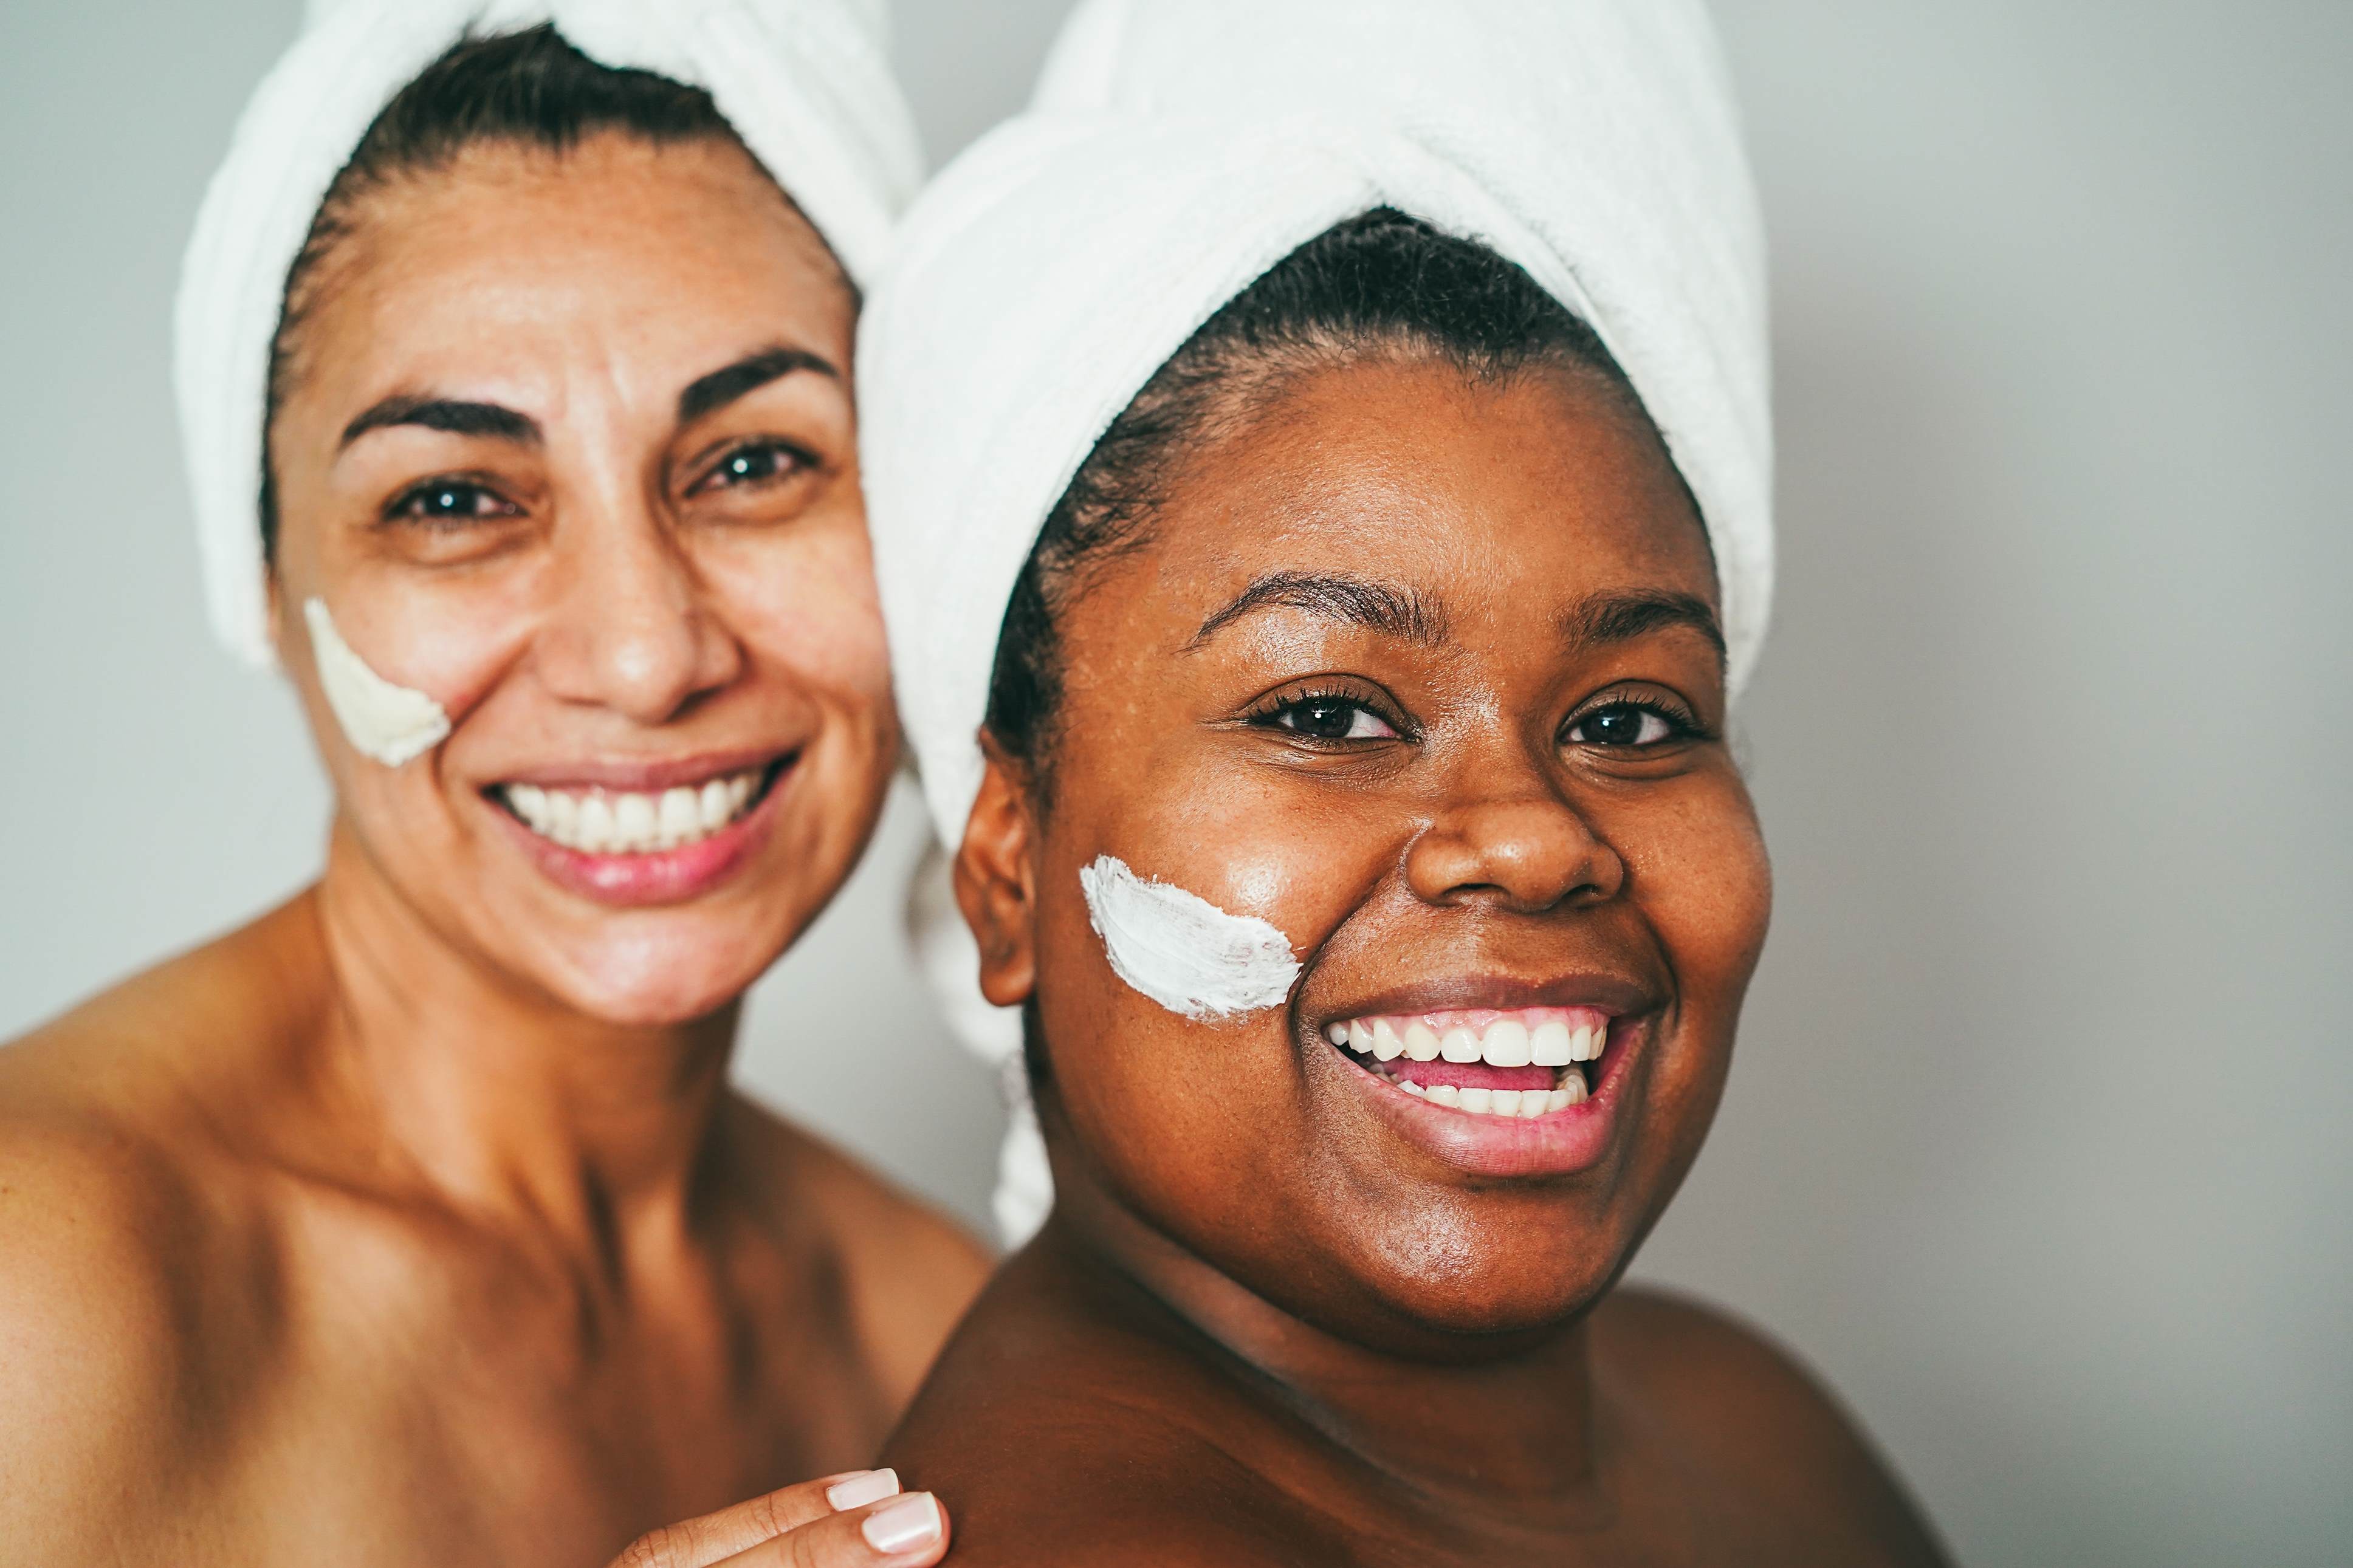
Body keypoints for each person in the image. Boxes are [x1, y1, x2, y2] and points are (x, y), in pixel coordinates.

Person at [859, 1, 1953, 1562]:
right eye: (1326, 713)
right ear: (1004, 868)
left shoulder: (1733, 1415)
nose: (1528, 837)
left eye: (1634, 720)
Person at [0, 8, 979, 1564]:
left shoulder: (934, 1332)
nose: (647, 653)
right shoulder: (39, 1297)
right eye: (455, 497)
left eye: (751, 464)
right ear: (264, 581)